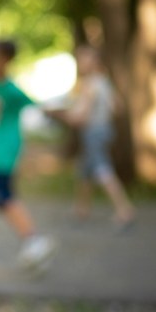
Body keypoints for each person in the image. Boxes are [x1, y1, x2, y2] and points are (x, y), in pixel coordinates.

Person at [0, 39, 56, 270]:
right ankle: (32, 244)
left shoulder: (11, 90)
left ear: (6, 59)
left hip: (5, 149)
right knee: (0, 199)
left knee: (5, 196)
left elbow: (41, 107)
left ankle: (33, 239)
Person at [62, 45, 135, 229]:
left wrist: (60, 115)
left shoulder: (89, 84)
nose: (80, 63)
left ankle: (124, 209)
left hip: (94, 131)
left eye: (83, 60)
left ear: (93, 61)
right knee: (84, 170)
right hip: (104, 130)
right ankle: (82, 208)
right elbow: (117, 107)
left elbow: (81, 115)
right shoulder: (104, 81)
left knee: (102, 170)